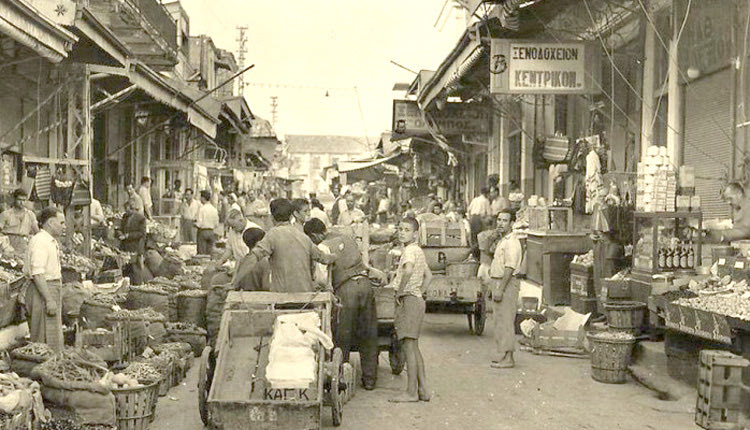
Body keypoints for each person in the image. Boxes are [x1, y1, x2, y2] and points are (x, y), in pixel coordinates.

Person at [304, 218, 381, 390]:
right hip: (365, 285)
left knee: (342, 334)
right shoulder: (347, 238)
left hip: (346, 290)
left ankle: (340, 378)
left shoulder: (323, 246)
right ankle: (370, 380)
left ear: (315, 235)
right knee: (369, 332)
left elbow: (322, 278)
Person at [242, 198, 335, 293]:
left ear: (272, 218)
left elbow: (253, 257)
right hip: (305, 297)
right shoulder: (304, 236)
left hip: (283, 297)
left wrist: (233, 283)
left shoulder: (272, 235)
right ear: (291, 216)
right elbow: (324, 259)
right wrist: (335, 256)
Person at [388, 216, 431, 402]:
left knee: (408, 347)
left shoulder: (409, 252)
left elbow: (407, 270)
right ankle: (423, 390)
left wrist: (400, 291)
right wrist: (418, 291)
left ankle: (411, 392)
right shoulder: (418, 250)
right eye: (400, 229)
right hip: (417, 300)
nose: (402, 232)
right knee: (414, 346)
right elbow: (429, 276)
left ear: (415, 233)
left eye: (406, 230)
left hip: (409, 301)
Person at [25, 207, 66, 350]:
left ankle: (51, 366)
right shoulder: (40, 242)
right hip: (42, 291)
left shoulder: (50, 241)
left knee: (52, 335)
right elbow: (38, 274)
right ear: (50, 223)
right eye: (61, 223)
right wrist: (48, 299)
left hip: (50, 288)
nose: (64, 226)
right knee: (42, 337)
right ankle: (39, 367)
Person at [489, 208, 523, 369]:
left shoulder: (512, 242)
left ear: (511, 223)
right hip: (499, 281)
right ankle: (503, 353)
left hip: (507, 283)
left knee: (506, 320)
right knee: (500, 320)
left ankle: (509, 358)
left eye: (504, 221)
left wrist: (500, 289)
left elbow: (509, 267)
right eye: (499, 220)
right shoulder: (503, 240)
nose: (500, 223)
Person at [0, 189, 39, 255]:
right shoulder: (6, 214)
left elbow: (37, 232)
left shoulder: (30, 214)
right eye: (19, 200)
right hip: (8, 243)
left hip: (24, 244)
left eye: (24, 200)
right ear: (14, 199)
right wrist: (4, 245)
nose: (22, 203)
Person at [195, 190, 219, 255]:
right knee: (210, 252)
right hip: (211, 232)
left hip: (203, 232)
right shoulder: (214, 209)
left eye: (200, 197)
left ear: (203, 198)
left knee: (202, 253)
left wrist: (195, 224)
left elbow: (199, 223)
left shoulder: (202, 209)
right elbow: (216, 223)